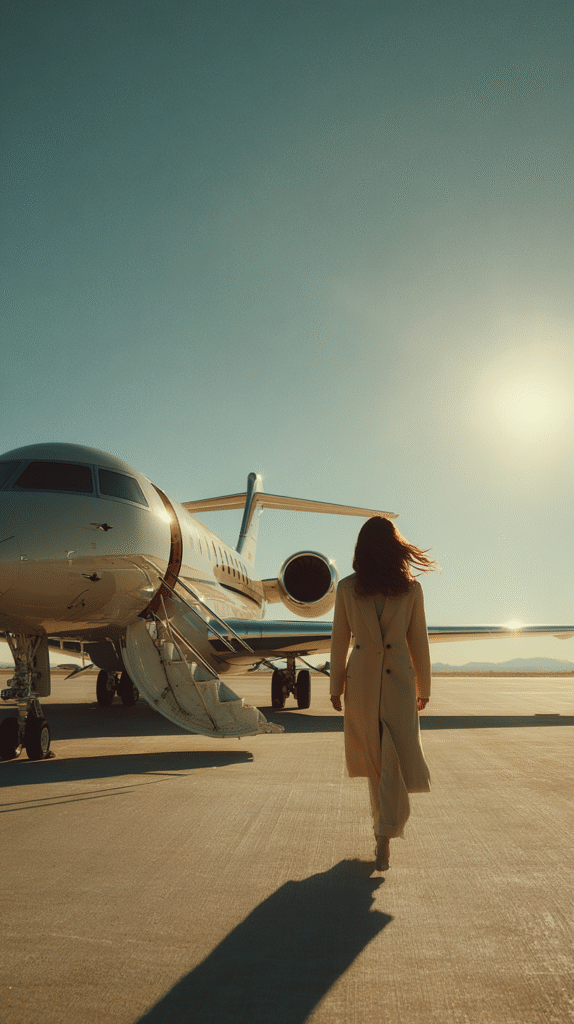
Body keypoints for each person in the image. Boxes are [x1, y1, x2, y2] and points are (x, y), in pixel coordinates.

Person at [329, 516, 438, 871]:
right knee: (381, 760)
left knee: (386, 760)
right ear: (394, 547)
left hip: (370, 683)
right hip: (380, 685)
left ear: (361, 548)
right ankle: (385, 832)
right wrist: (422, 688)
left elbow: (415, 640)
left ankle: (384, 831)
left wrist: (336, 687)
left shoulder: (401, 590)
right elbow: (341, 639)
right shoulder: (350, 589)